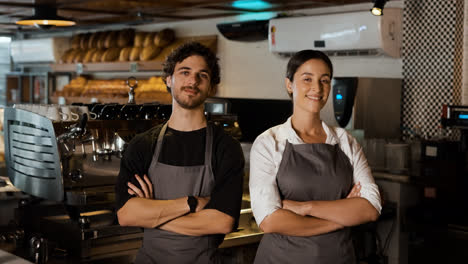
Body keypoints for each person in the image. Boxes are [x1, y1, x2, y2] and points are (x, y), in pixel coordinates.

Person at [115, 42, 245, 264]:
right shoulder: (143, 145)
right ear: (169, 79)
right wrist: (191, 203)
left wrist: (152, 214)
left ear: (211, 86)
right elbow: (126, 215)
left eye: (202, 75)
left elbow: (221, 222)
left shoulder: (226, 148)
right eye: (184, 72)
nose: (192, 81)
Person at [249, 50, 382, 264]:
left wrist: (305, 208)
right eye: (307, 79)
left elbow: (371, 207)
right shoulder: (269, 142)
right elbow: (269, 220)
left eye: (325, 80)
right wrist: (339, 220)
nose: (317, 88)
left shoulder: (345, 141)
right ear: (289, 84)